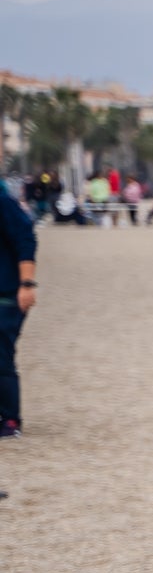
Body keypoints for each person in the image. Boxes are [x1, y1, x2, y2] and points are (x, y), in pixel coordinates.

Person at [0, 175, 35, 438]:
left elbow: (25, 239)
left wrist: (27, 283)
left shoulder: (4, 203)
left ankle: (11, 420)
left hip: (7, 292)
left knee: (1, 355)